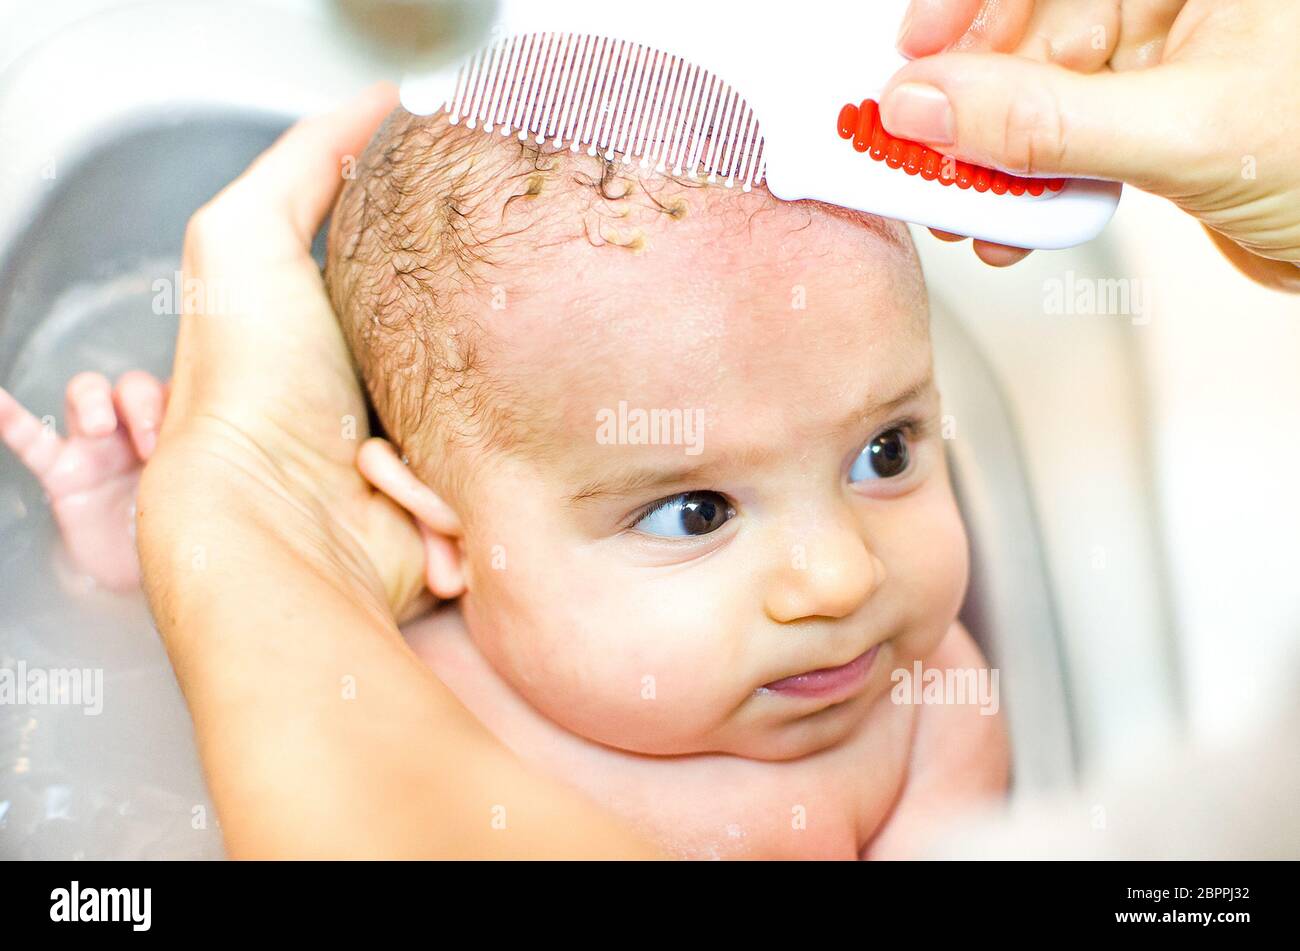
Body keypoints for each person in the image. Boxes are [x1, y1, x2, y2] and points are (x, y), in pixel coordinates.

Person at [6, 0, 1296, 857]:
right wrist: (130, 550)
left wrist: (223, 525)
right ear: (428, 533)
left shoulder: (932, 719)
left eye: (887, 451)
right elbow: (162, 714)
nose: (840, 576)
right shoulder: (402, 654)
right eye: (694, 511)